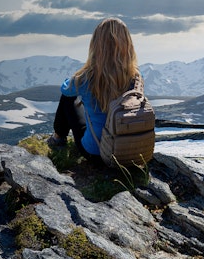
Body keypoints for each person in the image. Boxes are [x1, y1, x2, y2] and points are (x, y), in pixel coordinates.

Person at [47, 17, 142, 165]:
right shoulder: (135, 77)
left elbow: (65, 89)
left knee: (69, 99)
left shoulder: (87, 77)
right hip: (129, 152)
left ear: (96, 45)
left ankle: (58, 138)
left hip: (96, 152)